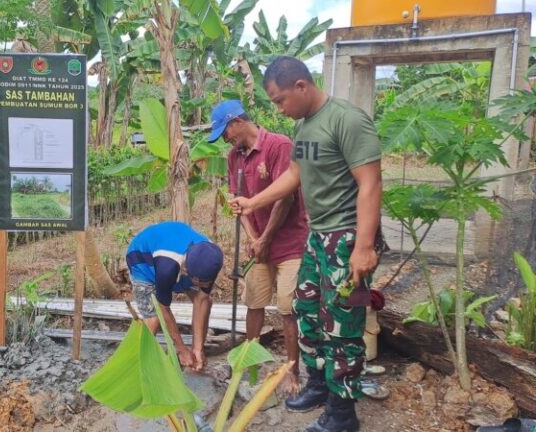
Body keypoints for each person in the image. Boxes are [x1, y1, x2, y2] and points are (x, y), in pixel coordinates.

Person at [230, 56, 383, 432]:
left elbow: (370, 183)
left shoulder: (347, 119)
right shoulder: (302, 127)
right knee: (307, 310)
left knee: (343, 323)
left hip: (347, 236)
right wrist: (253, 202)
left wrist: (364, 246)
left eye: (280, 100)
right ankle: (319, 384)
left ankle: (342, 413)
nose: (279, 110)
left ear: (301, 86)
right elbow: (294, 175)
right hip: (318, 236)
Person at [207, 99, 309, 395]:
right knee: (254, 304)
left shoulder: (279, 145)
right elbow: (237, 204)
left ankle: (292, 371)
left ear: (238, 122)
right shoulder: (233, 157)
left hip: (290, 244)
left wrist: (265, 239)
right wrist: (254, 239)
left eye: (225, 132)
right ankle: (248, 365)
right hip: (259, 247)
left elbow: (286, 197)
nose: (225, 139)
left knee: (288, 309)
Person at [126, 221, 224, 371]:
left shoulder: (212, 257)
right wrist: (181, 349)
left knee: (206, 301)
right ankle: (136, 363)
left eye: (206, 282)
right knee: (153, 319)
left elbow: (202, 300)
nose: (204, 285)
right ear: (186, 270)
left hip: (174, 257)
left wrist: (197, 349)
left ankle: (197, 352)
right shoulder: (168, 267)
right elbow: (163, 308)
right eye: (199, 282)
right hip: (142, 261)